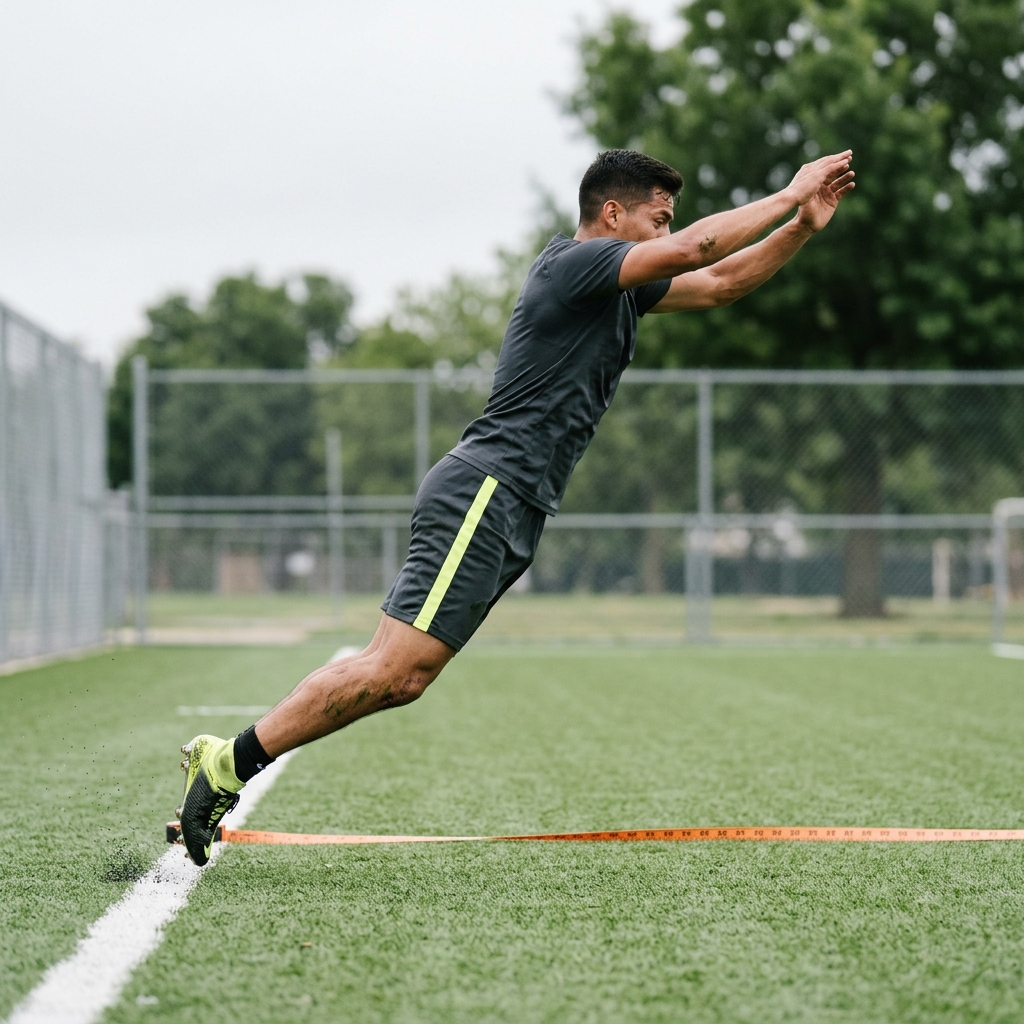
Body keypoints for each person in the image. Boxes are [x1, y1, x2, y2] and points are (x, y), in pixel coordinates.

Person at [176, 147, 855, 865]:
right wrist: (786, 192)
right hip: (487, 489)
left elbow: (718, 281)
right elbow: (699, 248)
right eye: (657, 219)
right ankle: (225, 764)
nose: (667, 235)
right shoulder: (575, 265)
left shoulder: (619, 290)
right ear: (612, 213)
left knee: (399, 675)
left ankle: (227, 762)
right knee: (394, 671)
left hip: (509, 499)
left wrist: (802, 226)